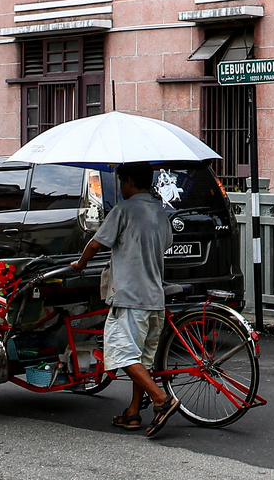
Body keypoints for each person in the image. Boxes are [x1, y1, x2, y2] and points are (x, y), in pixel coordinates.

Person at [70, 161, 179, 437]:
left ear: (129, 181)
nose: (120, 188)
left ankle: (161, 399)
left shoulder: (123, 210)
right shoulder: (159, 211)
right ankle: (132, 412)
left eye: (122, 182)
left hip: (129, 297)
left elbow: (97, 243)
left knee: (121, 353)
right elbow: (165, 244)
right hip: (154, 297)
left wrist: (81, 263)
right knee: (140, 358)